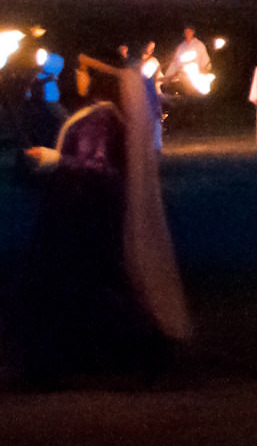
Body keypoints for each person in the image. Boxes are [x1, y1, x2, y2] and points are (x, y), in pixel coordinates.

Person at [15, 54, 191, 386]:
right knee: (93, 285)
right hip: (86, 212)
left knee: (89, 285)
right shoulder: (102, 116)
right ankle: (114, 353)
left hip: (85, 216)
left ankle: (123, 353)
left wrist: (56, 160)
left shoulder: (99, 119)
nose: (77, 75)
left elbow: (97, 167)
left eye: (83, 69)